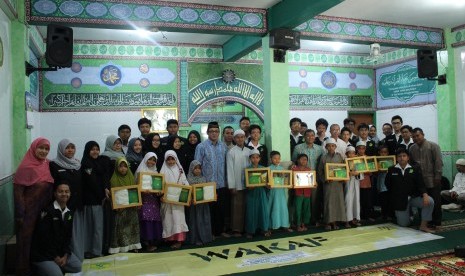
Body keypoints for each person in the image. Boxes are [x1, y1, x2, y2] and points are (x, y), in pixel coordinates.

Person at [14, 137, 54, 275]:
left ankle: (40, 268)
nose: (43, 151)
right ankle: (24, 269)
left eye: (46, 149)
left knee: (40, 238)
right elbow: (18, 193)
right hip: (28, 213)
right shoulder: (25, 167)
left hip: (44, 211)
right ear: (33, 148)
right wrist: (20, 214)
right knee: (26, 240)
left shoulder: (47, 164)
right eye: (41, 148)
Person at [30, 182, 82, 276]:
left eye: (67, 191)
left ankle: (56, 266)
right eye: (60, 191)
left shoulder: (69, 213)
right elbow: (43, 239)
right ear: (55, 194)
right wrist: (55, 257)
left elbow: (67, 237)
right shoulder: (47, 212)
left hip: (60, 253)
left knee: (78, 267)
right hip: (44, 255)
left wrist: (65, 255)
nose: (64, 194)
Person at [385, 148, 435, 233]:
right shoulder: (391, 169)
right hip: (400, 200)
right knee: (404, 224)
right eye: (399, 156)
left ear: (408, 157)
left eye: (404, 156)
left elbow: (421, 183)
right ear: (397, 158)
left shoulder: (414, 168)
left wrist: (425, 195)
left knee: (430, 201)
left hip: (413, 198)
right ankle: (408, 214)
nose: (402, 158)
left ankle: (423, 226)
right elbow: (387, 184)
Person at [49, 139, 84, 261]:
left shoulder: (78, 164)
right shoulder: (54, 164)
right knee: (63, 232)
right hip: (63, 205)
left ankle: (76, 256)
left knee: (76, 232)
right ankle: (63, 256)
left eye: (72, 147)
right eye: (67, 147)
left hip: (77, 204)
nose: (70, 150)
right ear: (61, 149)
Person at [195, 122, 229, 238]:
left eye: (216, 131)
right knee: (210, 210)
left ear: (219, 133)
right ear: (207, 132)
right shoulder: (201, 146)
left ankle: (220, 231)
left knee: (221, 209)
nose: (214, 133)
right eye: (211, 131)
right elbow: (197, 165)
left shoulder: (223, 146)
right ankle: (211, 232)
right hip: (208, 184)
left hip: (222, 183)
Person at [81, 141, 111, 259]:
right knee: (91, 227)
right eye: (92, 149)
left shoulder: (99, 163)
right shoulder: (86, 164)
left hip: (98, 200)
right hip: (91, 200)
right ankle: (90, 251)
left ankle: (95, 250)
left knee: (97, 227)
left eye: (97, 149)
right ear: (88, 151)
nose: (95, 152)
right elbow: (92, 183)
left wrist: (105, 189)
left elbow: (104, 177)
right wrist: (102, 196)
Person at [409, 127, 443, 228]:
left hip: (433, 179)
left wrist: (438, 177)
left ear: (423, 135)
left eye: (417, 136)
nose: (416, 138)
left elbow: (438, 162)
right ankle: (424, 221)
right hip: (419, 181)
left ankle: (436, 221)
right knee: (423, 202)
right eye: (413, 137)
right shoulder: (412, 148)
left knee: (435, 201)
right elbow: (411, 165)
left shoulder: (433, 146)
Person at [108, 157, 142, 254]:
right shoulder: (113, 179)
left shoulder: (131, 177)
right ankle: (120, 247)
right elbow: (113, 196)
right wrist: (116, 206)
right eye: (120, 166)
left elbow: (135, 192)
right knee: (120, 229)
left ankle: (134, 246)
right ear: (116, 168)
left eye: (125, 166)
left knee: (132, 228)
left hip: (131, 209)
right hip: (120, 210)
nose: (123, 169)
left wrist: (137, 202)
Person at [292, 129, 324, 225]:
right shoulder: (298, 148)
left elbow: (321, 163)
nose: (310, 137)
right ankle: (300, 221)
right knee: (301, 200)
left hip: (314, 178)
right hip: (300, 178)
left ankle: (314, 219)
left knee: (314, 200)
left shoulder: (319, 148)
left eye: (312, 135)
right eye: (308, 135)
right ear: (304, 137)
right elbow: (294, 161)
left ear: (315, 137)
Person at [160, 150, 189, 249]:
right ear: (165, 160)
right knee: (168, 219)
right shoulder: (163, 170)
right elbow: (160, 185)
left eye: (173, 159)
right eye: (168, 159)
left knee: (178, 219)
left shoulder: (179, 169)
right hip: (167, 201)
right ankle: (170, 239)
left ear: (176, 159)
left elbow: (184, 181)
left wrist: (188, 195)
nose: (171, 161)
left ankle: (179, 240)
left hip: (178, 201)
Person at [135, 152, 163, 252]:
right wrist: (142, 190)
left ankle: (153, 242)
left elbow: (158, 187)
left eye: (154, 160)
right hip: (144, 200)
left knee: (154, 219)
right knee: (146, 220)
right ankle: (147, 244)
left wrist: (160, 192)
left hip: (154, 200)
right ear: (145, 159)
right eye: (150, 159)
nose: (151, 162)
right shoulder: (140, 172)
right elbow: (136, 188)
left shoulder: (156, 173)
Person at [318, 138, 347, 230]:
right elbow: (320, 171)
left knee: (338, 202)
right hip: (328, 184)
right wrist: (325, 180)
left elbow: (343, 169)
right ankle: (328, 222)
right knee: (328, 203)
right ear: (326, 147)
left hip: (338, 183)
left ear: (336, 147)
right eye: (329, 146)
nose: (331, 147)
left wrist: (343, 178)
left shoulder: (339, 156)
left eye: (333, 146)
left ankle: (335, 222)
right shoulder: (323, 157)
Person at [226, 129, 251, 237]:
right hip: (237, 185)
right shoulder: (231, 152)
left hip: (248, 185)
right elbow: (230, 170)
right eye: (237, 137)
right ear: (234, 139)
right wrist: (232, 186)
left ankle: (246, 228)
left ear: (245, 138)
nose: (240, 139)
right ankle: (236, 229)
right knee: (237, 208)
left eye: (242, 137)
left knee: (247, 207)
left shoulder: (249, 151)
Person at [245, 149, 271, 238]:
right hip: (252, 194)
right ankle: (250, 231)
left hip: (262, 193)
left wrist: (268, 186)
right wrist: (250, 186)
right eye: (253, 158)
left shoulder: (263, 169)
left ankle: (264, 229)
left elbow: (268, 183)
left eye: (257, 157)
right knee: (251, 212)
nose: (255, 159)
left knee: (263, 211)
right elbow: (247, 184)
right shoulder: (247, 170)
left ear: (259, 158)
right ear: (250, 159)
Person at [186, 160, 213, 245]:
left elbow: (206, 190)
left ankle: (205, 238)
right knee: (194, 221)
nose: (197, 170)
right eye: (195, 168)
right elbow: (188, 192)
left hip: (203, 205)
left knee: (203, 220)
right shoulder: (188, 179)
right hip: (193, 206)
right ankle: (195, 239)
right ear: (191, 169)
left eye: (199, 168)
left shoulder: (203, 178)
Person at [268, 151, 291, 232]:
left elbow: (285, 180)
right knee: (273, 207)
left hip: (281, 192)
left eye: (278, 158)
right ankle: (271, 226)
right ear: (271, 159)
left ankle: (284, 225)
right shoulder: (268, 169)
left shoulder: (282, 169)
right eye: (274, 158)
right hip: (272, 192)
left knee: (282, 207)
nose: (277, 160)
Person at [292, 154, 312, 231]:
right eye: (302, 159)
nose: (304, 161)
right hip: (298, 192)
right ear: (297, 160)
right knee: (298, 209)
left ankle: (303, 224)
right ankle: (297, 225)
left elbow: (312, 181)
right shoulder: (294, 169)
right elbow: (291, 180)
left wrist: (314, 183)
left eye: (305, 159)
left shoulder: (309, 170)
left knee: (306, 209)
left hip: (307, 192)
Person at [356, 141, 375, 221]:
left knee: (367, 201)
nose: (361, 150)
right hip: (357, 183)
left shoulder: (368, 159)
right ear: (357, 149)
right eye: (359, 148)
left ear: (365, 149)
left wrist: (364, 170)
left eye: (363, 148)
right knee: (358, 201)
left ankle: (367, 216)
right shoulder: (353, 158)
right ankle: (358, 217)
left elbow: (371, 171)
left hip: (366, 183)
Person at [344, 146, 361, 228]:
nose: (351, 154)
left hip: (356, 183)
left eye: (353, 153)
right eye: (349, 153)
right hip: (348, 183)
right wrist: (349, 173)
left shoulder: (358, 162)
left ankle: (355, 219)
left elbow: (361, 173)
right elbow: (342, 173)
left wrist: (358, 173)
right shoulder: (344, 162)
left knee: (356, 201)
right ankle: (347, 220)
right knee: (348, 200)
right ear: (346, 154)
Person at [376, 145, 394, 220]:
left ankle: (389, 215)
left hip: (388, 184)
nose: (383, 154)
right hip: (381, 182)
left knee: (388, 200)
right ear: (379, 153)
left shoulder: (391, 161)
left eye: (385, 152)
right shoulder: (377, 161)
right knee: (382, 199)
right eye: (382, 152)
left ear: (388, 153)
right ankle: (383, 214)